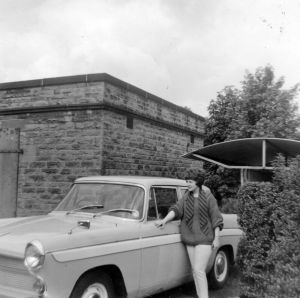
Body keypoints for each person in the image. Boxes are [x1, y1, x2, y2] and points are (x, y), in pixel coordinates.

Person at [155, 169, 223, 298]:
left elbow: (216, 218)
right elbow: (176, 209)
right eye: (187, 182)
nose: (188, 184)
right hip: (190, 238)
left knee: (199, 270)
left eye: (190, 182)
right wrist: (164, 220)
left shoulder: (208, 196)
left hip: (205, 238)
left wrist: (216, 238)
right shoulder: (186, 197)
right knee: (195, 271)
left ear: (198, 182)